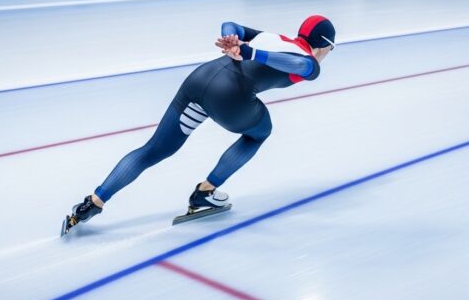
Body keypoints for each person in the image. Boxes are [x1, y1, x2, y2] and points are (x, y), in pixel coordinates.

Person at [62, 15, 336, 233]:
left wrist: (231, 37)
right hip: (230, 97)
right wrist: (250, 53)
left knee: (153, 149)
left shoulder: (271, 36)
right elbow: (297, 63)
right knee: (260, 133)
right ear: (324, 45)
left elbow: (232, 25)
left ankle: (91, 204)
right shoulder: (310, 63)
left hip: (198, 81)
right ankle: (205, 192)